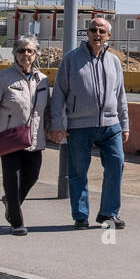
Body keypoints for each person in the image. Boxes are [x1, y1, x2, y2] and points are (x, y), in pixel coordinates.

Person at [48, 17, 129, 229]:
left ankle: (108, 214)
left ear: (108, 36)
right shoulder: (71, 60)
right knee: (77, 172)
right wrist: (57, 123)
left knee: (116, 165)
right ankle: (80, 215)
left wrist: (125, 124)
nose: (97, 34)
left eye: (102, 31)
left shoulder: (114, 62)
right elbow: (58, 94)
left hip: (111, 126)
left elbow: (120, 95)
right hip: (79, 125)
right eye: (93, 29)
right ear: (87, 33)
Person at [0, 35, 49, 236]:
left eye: (30, 51)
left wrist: (57, 130)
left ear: (36, 54)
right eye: (22, 50)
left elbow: (47, 110)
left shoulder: (43, 80)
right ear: (15, 53)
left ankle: (10, 203)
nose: (26, 54)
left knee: (31, 177)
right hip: (10, 137)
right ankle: (16, 221)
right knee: (12, 181)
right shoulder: (3, 78)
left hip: (34, 139)